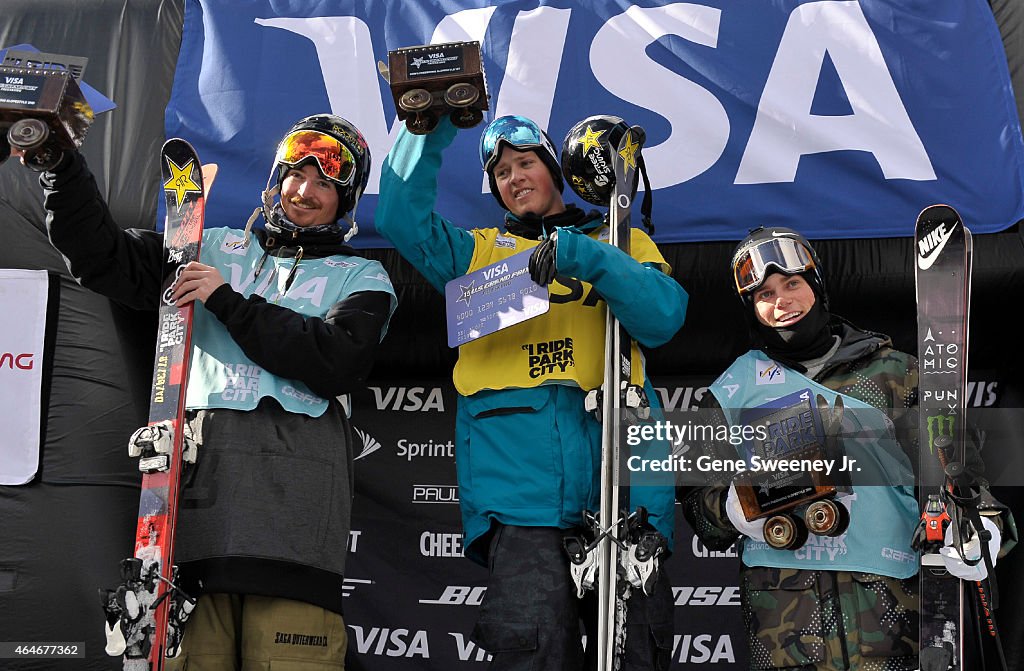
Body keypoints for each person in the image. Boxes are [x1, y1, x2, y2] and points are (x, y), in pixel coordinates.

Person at [20, 114, 396, 670]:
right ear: (275, 178)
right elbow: (102, 258)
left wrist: (227, 302)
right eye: (296, 174)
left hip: (295, 537)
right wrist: (60, 167)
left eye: (326, 183)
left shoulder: (362, 278)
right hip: (191, 531)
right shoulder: (205, 246)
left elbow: (335, 361)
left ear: (347, 202)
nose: (305, 191)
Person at [376, 112, 687, 670]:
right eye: (500, 172)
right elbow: (399, 218)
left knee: (638, 655)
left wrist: (588, 256)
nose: (514, 177)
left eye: (526, 163)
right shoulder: (474, 253)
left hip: (627, 490)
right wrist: (427, 126)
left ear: (555, 171)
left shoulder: (621, 239)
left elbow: (663, 318)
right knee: (537, 656)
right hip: (523, 501)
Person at [680, 226, 1014, 670]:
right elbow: (698, 508)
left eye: (792, 284)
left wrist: (984, 528)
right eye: (764, 294)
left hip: (888, 612)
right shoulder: (729, 392)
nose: (782, 301)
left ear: (816, 284)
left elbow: (962, 475)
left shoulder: (896, 374)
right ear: (751, 308)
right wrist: (730, 507)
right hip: (785, 627)